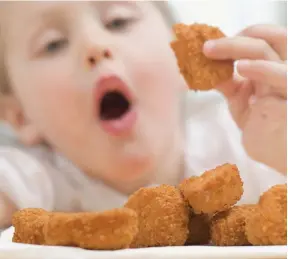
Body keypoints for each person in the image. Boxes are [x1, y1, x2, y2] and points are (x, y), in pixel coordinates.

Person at [0, 1, 286, 229]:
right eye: (53, 44)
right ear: (19, 115)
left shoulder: (243, 144)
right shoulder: (35, 180)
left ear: (184, 60)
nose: (94, 46)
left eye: (118, 21)